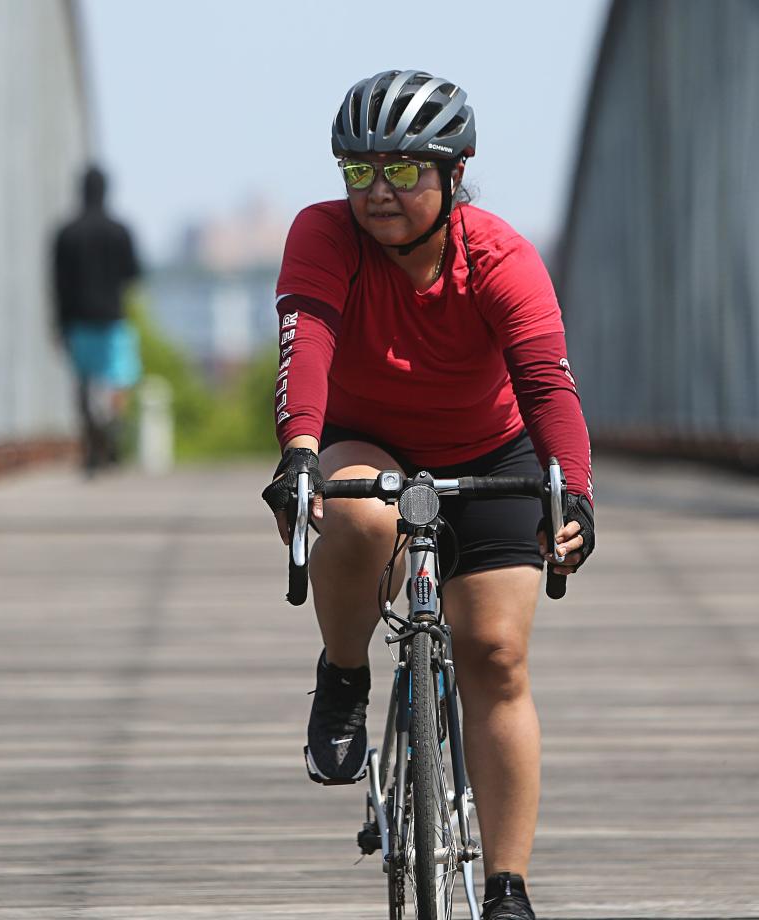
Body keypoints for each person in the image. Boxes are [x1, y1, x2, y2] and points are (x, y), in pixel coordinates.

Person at [261, 71, 595, 920]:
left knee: (495, 655)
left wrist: (575, 498)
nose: (378, 193)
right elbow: (307, 346)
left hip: (491, 450)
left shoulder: (501, 257)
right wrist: (301, 453)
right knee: (356, 509)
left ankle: (508, 889)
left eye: (405, 172)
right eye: (359, 172)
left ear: (455, 173)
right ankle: (343, 678)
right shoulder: (323, 236)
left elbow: (548, 387)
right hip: (368, 439)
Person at [54, 165, 142, 472]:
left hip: (78, 320)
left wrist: (58, 323)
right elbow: (134, 273)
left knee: (83, 381)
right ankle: (112, 431)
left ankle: (91, 438)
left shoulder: (66, 233)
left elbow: (57, 284)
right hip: (113, 318)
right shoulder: (119, 231)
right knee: (118, 380)